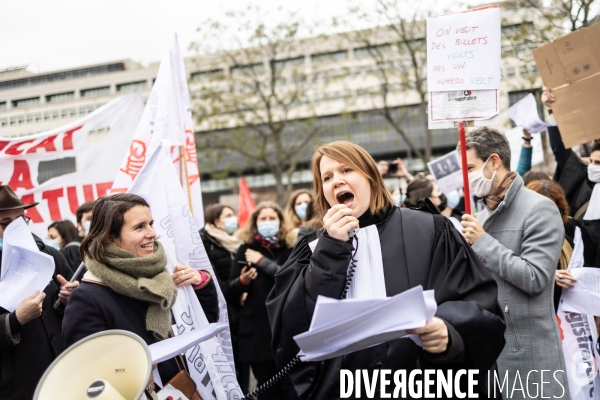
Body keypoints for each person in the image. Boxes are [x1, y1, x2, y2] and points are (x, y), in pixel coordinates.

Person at [267, 141, 506, 399]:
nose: (336, 181)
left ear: (370, 177)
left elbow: (477, 303)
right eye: (327, 177)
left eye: (347, 170)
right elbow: (289, 328)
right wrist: (330, 251)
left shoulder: (431, 230)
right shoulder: (311, 248)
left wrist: (448, 332)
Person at [62, 194, 219, 389]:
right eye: (139, 227)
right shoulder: (88, 297)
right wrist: (130, 375)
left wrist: (201, 286)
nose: (152, 233)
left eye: (151, 224)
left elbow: (205, 325)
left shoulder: (163, 275)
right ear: (110, 237)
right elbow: (87, 374)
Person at [459, 127, 569, 397]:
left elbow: (536, 278)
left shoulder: (539, 208)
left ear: (493, 161)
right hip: (491, 357)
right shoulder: (481, 219)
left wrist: (483, 242)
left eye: (470, 167)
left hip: (531, 358)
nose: (467, 178)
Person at [0, 185, 78, 400]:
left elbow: (71, 300)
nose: (16, 228)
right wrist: (15, 320)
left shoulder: (48, 252)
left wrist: (67, 298)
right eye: (6, 223)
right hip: (17, 385)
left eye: (21, 220)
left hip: (62, 373)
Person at [228, 201, 297, 399]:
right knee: (266, 388)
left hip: (285, 328)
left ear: (280, 221)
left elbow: (292, 279)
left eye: (272, 218)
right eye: (263, 218)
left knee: (291, 387)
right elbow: (230, 292)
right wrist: (242, 281)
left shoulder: (291, 247)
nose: (267, 222)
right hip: (256, 332)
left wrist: (261, 261)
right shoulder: (245, 249)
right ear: (255, 223)